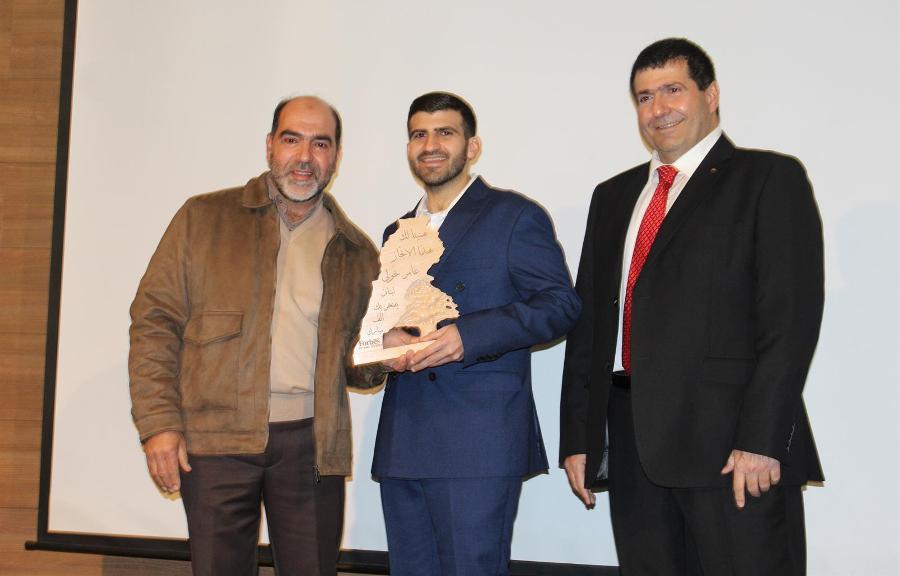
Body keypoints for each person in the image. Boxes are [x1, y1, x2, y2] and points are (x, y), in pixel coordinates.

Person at [560, 38, 824, 576]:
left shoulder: (767, 179)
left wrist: (762, 439)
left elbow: (789, 322)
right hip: (632, 446)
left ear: (711, 94)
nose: (658, 108)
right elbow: (590, 328)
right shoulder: (612, 196)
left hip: (730, 449)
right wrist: (580, 438)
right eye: (644, 97)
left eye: (672, 90)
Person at [128, 95, 382, 576]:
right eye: (292, 139)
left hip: (312, 447)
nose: (304, 157)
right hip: (216, 442)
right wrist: (159, 423)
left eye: (320, 143)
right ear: (270, 146)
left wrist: (389, 350)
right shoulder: (203, 219)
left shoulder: (356, 251)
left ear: (336, 155)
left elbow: (358, 367)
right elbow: (154, 322)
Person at [370, 91, 581, 576]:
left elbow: (561, 305)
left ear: (473, 146)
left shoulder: (514, 216)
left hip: (477, 440)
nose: (430, 145)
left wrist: (470, 335)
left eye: (445, 132)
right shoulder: (397, 233)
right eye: (419, 134)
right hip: (404, 437)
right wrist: (383, 342)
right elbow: (388, 321)